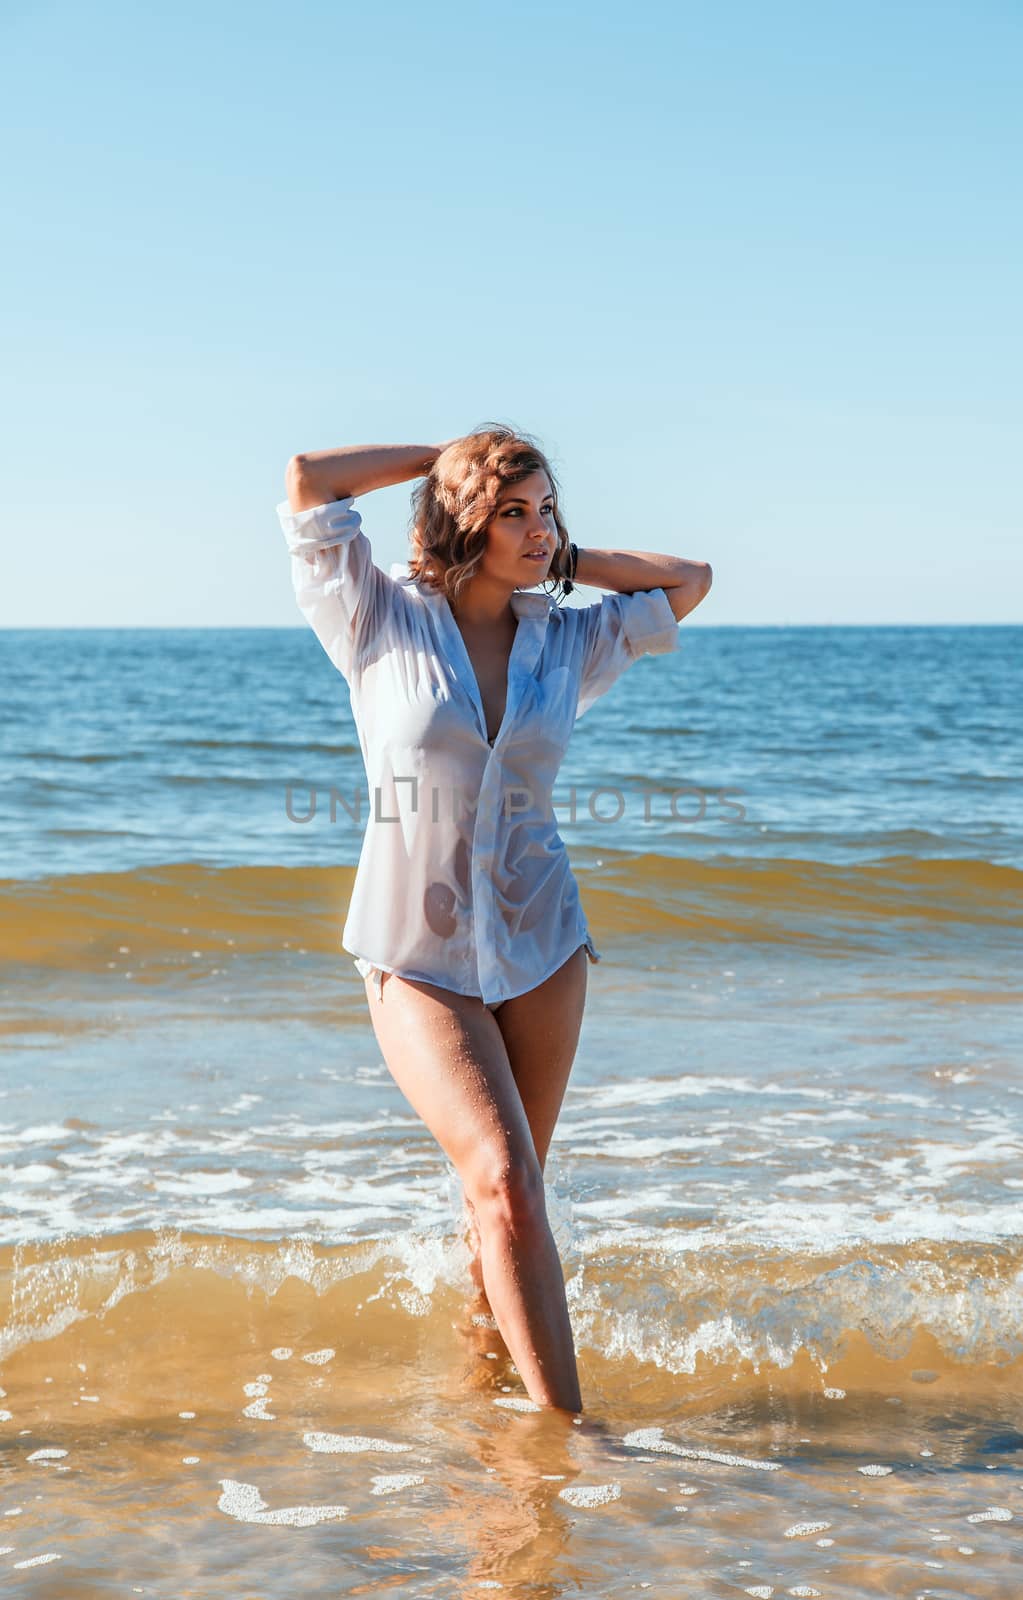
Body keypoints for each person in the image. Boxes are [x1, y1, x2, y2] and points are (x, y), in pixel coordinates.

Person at [277, 425, 713, 1412]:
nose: (538, 529)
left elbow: (690, 578)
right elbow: (311, 478)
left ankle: (488, 1400)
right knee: (503, 1178)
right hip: (415, 952)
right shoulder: (376, 614)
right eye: (513, 510)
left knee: (510, 1199)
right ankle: (570, 1437)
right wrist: (448, 453)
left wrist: (563, 557)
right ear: (464, 513)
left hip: (543, 944)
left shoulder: (564, 638)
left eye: (547, 509)